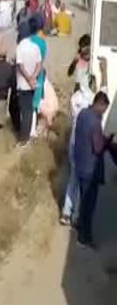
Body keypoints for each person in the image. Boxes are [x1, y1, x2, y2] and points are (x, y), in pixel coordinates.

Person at [61, 57, 107, 227]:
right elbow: (104, 89)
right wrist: (104, 70)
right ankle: (77, 216)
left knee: (72, 179)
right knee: (84, 183)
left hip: (74, 142)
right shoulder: (94, 99)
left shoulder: (75, 98)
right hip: (87, 147)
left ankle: (66, 212)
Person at [73, 91, 113, 248]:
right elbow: (97, 148)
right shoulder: (95, 122)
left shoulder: (83, 113)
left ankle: (80, 226)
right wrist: (107, 141)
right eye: (104, 108)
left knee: (83, 201)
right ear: (99, 104)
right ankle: (84, 238)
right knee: (89, 205)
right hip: (90, 169)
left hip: (80, 165)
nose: (104, 112)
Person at [15, 21, 42, 144]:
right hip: (33, 84)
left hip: (23, 84)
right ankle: (28, 135)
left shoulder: (19, 47)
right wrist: (33, 77)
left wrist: (27, 78)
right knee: (30, 110)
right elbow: (39, 65)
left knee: (24, 112)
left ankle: (23, 139)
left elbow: (20, 66)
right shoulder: (35, 47)